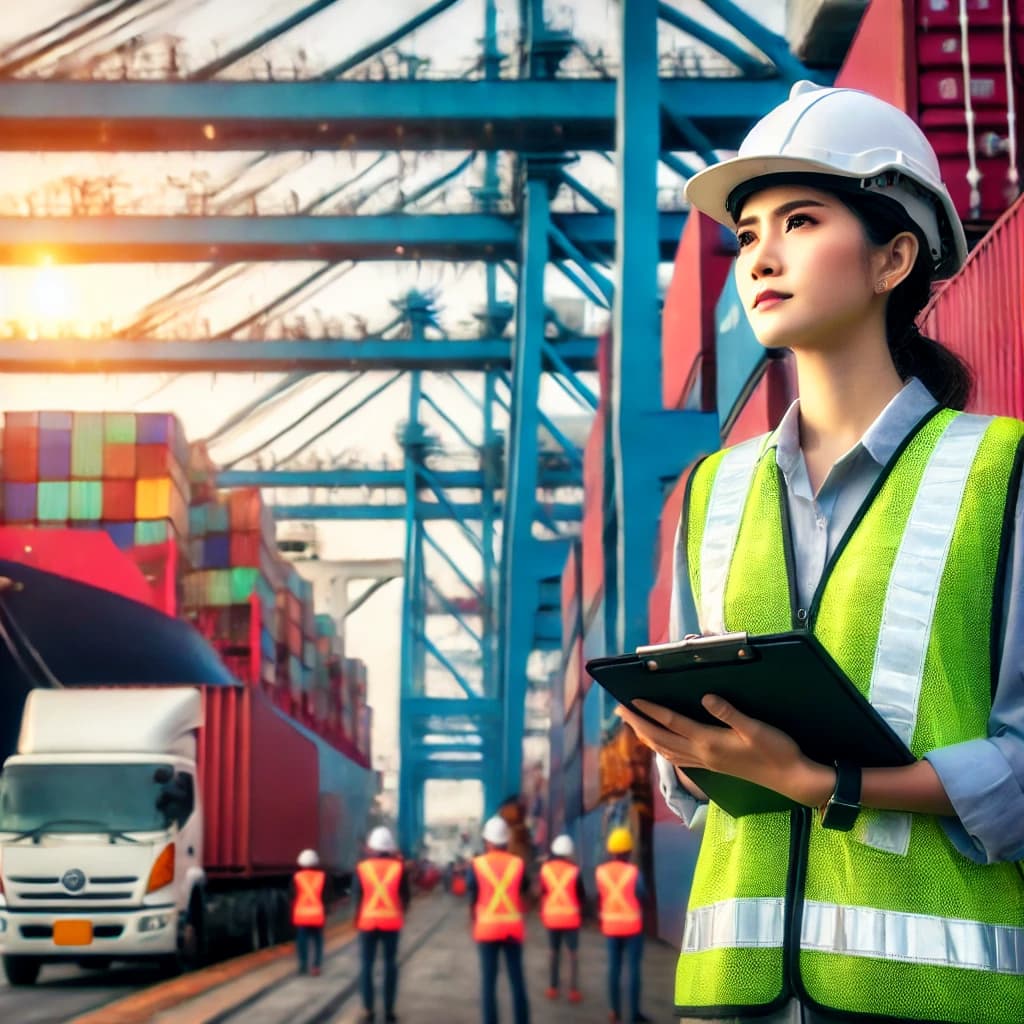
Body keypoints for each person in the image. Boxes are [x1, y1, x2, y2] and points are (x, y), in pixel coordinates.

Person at [617, 80, 1024, 1024]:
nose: (760, 254)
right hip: (733, 996)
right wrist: (683, 748)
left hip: (932, 998)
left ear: (893, 258)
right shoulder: (713, 493)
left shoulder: (998, 472)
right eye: (748, 232)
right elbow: (695, 792)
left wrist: (822, 783)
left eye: (799, 220)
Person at [467, 815, 531, 1024]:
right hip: (513, 929)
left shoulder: (477, 865)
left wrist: (473, 920)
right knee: (517, 981)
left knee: (489, 983)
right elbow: (525, 890)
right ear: (507, 841)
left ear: (487, 841)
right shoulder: (518, 864)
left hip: (486, 930)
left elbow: (472, 896)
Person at [352, 825, 410, 1024]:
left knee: (367, 967)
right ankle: (389, 1012)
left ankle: (368, 1011)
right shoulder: (398, 868)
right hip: (391, 923)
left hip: (367, 923)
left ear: (371, 848)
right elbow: (406, 897)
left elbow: (357, 898)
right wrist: (400, 912)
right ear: (390, 848)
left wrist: (357, 919)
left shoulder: (362, 868)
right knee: (390, 966)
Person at [595, 827, 650, 1024]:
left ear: (611, 850)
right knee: (633, 970)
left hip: (611, 928)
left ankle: (613, 1012)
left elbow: (601, 896)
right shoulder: (634, 873)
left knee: (614, 969)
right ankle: (634, 1014)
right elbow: (642, 895)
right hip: (632, 928)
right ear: (628, 850)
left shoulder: (601, 872)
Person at [537, 833, 586, 1004]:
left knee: (553, 952)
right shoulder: (574, 871)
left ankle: (553, 987)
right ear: (569, 852)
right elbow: (581, 896)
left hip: (552, 919)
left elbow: (542, 893)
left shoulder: (545, 869)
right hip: (571, 919)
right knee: (572, 954)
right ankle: (573, 990)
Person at [291, 848, 328, 977]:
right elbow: (326, 897)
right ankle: (316, 967)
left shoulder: (297, 877)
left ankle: (303, 965)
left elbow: (292, 896)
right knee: (318, 942)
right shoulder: (322, 877)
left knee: (302, 942)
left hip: (302, 916)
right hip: (317, 915)